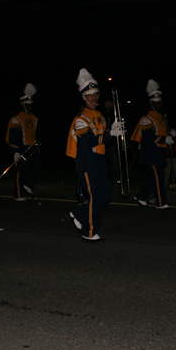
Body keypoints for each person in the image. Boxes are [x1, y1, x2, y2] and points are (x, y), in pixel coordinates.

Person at [64, 68, 125, 242]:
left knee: (106, 196)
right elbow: (87, 142)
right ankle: (89, 232)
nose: (93, 97)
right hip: (87, 161)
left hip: (99, 161)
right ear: (83, 97)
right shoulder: (80, 118)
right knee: (95, 197)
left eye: (95, 94)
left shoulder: (99, 115)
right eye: (89, 95)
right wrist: (110, 135)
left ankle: (76, 214)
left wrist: (115, 130)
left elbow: (103, 139)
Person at [131, 79, 172, 209]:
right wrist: (164, 139)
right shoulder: (147, 117)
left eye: (159, 101)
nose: (158, 104)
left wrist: (171, 134)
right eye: (155, 102)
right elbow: (148, 138)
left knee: (154, 178)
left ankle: (141, 196)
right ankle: (160, 202)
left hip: (159, 152)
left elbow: (161, 131)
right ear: (151, 103)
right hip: (151, 153)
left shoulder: (160, 116)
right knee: (158, 179)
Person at [5, 83, 43, 201]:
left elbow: (34, 134)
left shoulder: (34, 118)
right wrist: (15, 152)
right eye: (28, 105)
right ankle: (18, 194)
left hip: (32, 147)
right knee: (21, 171)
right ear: (23, 105)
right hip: (21, 147)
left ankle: (28, 184)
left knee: (39, 166)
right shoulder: (16, 119)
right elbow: (13, 136)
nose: (30, 106)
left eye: (31, 104)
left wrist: (36, 147)